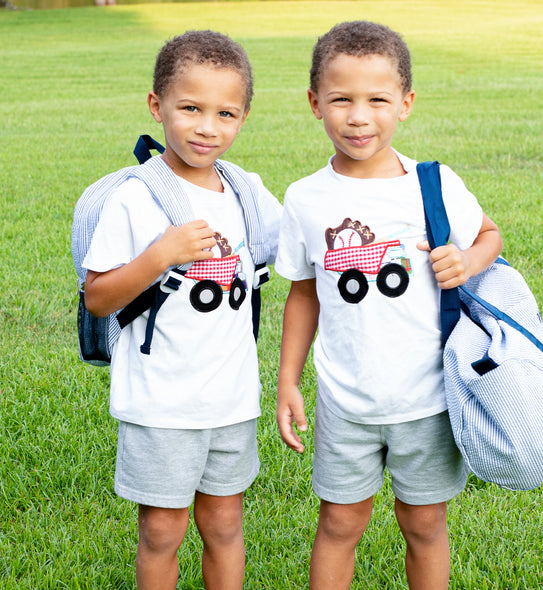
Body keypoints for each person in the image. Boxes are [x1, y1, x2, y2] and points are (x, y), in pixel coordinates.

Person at [275, 21, 503, 590]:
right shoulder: (305, 197)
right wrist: (288, 379)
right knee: (339, 521)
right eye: (341, 100)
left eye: (377, 99)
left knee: (424, 523)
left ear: (405, 104)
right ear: (314, 103)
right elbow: (304, 291)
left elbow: (490, 236)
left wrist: (468, 262)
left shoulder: (433, 183)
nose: (359, 116)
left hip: (426, 397)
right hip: (344, 400)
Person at [82, 30, 282, 590]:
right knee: (162, 532)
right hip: (161, 405)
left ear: (243, 118)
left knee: (224, 523)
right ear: (157, 105)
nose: (206, 127)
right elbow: (97, 296)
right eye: (190, 108)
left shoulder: (247, 191)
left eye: (226, 113)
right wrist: (161, 255)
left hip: (232, 400)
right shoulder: (137, 197)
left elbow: (298, 248)